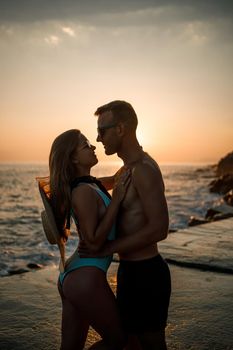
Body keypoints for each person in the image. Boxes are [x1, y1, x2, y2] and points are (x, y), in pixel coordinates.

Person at [79, 101, 171, 350]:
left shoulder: (143, 169)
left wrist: (106, 247)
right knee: (129, 344)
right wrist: (63, 185)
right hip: (130, 273)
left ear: (120, 128)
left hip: (147, 274)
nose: (98, 139)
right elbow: (94, 183)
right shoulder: (126, 169)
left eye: (102, 131)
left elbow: (159, 228)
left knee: (151, 345)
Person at [38, 129, 129, 350]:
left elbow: (119, 177)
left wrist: (134, 155)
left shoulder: (91, 184)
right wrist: (115, 202)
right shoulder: (82, 192)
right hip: (85, 279)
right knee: (121, 343)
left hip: (75, 276)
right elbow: (93, 241)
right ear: (74, 157)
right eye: (86, 145)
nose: (93, 147)